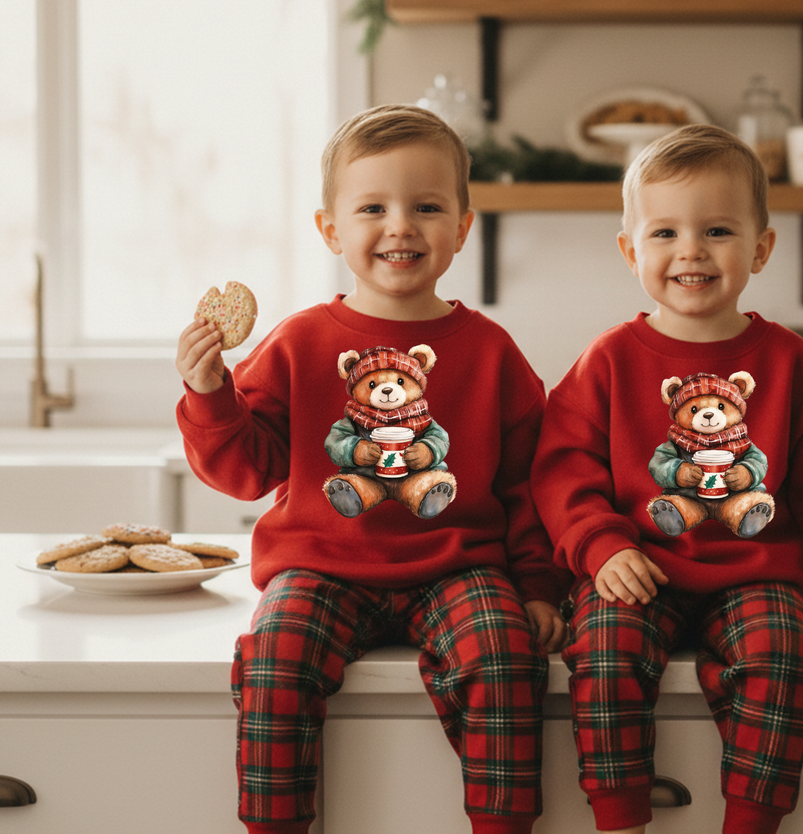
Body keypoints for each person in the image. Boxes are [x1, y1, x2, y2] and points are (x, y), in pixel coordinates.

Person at [175, 104, 567, 834]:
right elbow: (244, 469)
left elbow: (528, 487)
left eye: (426, 207)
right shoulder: (298, 342)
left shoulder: (492, 353)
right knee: (274, 662)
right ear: (331, 229)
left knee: (509, 659)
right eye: (373, 208)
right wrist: (209, 396)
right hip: (321, 566)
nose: (400, 226)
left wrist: (539, 586)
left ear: (461, 227)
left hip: (459, 566)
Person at [530, 124, 803, 834]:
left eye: (718, 230)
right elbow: (562, 471)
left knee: (787, 659)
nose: (691, 251)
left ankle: (751, 823)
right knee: (602, 655)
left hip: (755, 576)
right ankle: (620, 819)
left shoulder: (792, 365)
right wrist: (601, 546)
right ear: (630, 250)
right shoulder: (606, 361)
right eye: (664, 232)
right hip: (635, 571)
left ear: (760, 248)